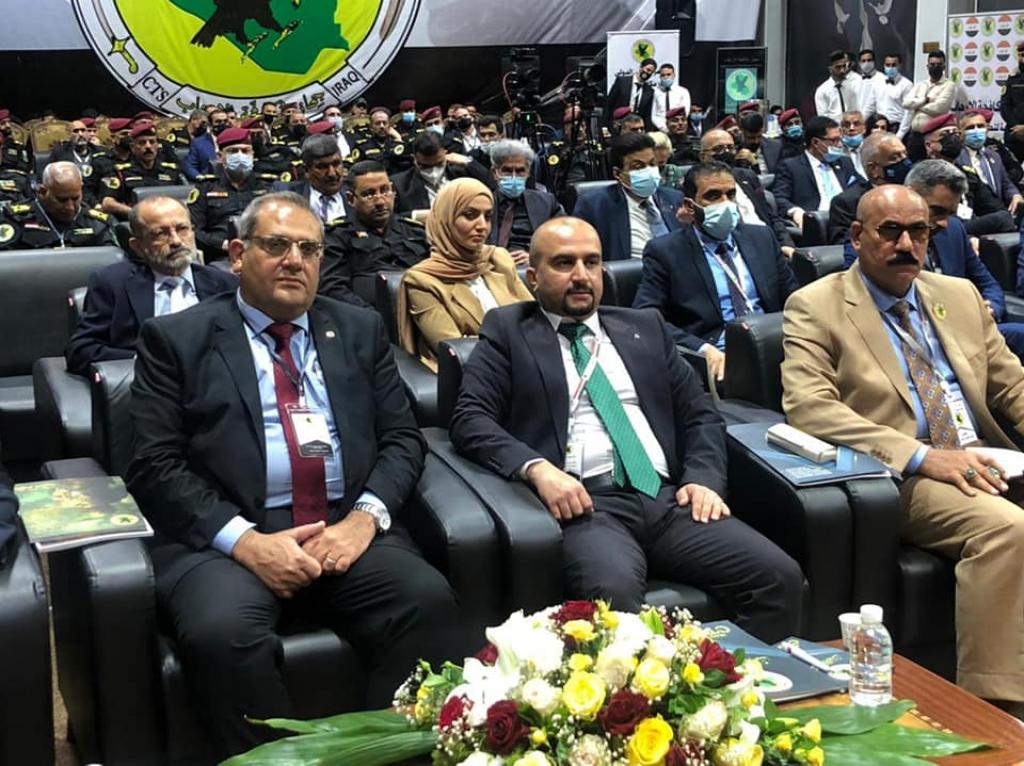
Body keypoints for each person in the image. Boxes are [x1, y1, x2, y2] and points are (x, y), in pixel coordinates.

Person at [124, 191, 461, 757]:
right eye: (277, 245)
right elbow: (154, 464)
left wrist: (363, 521)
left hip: (342, 525)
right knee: (221, 635)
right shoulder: (176, 339)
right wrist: (246, 542)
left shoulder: (357, 328)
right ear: (237, 255)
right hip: (228, 538)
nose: (294, 261)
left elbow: (403, 439)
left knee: (427, 603)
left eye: (309, 249)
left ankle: (381, 755)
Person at [450, 216, 802, 639]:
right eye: (564, 263)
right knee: (613, 603)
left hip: (669, 500)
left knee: (778, 578)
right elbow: (471, 418)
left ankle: (728, 679)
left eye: (591, 262)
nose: (581, 276)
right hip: (587, 507)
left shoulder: (644, 327)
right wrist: (538, 469)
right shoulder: (509, 331)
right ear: (533, 277)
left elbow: (700, 414)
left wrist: (703, 479)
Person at [781, 184, 1024, 713]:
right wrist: (924, 457)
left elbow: (1012, 385)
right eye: (890, 231)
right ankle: (995, 707)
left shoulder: (957, 294)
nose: (906, 245)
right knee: (1009, 530)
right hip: (905, 471)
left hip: (988, 454)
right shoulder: (816, 305)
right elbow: (810, 407)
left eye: (919, 232)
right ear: (857, 236)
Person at [633, 162, 797, 382]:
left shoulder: (761, 237)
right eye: (713, 196)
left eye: (730, 194)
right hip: (719, 354)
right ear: (690, 206)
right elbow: (646, 315)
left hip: (775, 343)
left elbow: (794, 298)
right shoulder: (666, 252)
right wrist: (701, 349)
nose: (725, 203)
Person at [65, 196, 238, 375]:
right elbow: (80, 351)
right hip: (147, 384)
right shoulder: (112, 284)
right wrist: (147, 361)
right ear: (138, 246)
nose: (176, 241)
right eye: (161, 234)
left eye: (182, 229)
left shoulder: (225, 284)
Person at [396, 178, 533, 369]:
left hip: (527, 363)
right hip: (476, 375)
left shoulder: (498, 258)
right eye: (470, 215)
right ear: (446, 218)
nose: (482, 226)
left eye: (487, 216)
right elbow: (457, 349)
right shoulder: (421, 281)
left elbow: (535, 321)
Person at [319, 160, 428, 308]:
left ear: (394, 191)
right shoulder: (337, 236)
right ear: (351, 199)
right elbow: (333, 289)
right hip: (368, 314)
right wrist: (371, 316)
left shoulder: (415, 231)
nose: (380, 201)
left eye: (385, 190)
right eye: (369, 194)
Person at [573, 132, 683, 261]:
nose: (648, 171)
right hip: (632, 271)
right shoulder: (594, 206)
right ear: (618, 173)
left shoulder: (675, 199)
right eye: (638, 167)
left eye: (652, 164)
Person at [698, 129, 795, 254]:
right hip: (737, 249)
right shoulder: (700, 186)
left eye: (730, 148)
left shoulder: (746, 176)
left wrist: (787, 244)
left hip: (770, 243)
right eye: (718, 149)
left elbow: (771, 216)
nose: (726, 152)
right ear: (703, 157)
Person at [189, 127, 276, 262]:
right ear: (220, 157)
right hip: (220, 256)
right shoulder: (205, 188)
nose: (240, 156)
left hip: (263, 255)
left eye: (245, 151)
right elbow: (193, 230)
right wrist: (222, 244)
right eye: (233, 151)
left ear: (253, 155)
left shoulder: (268, 186)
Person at [922, 113, 1015, 236]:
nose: (953, 138)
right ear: (929, 145)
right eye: (945, 134)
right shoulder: (924, 175)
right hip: (944, 231)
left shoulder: (967, 173)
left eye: (955, 133)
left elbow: (993, 206)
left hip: (969, 226)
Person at [773, 115, 860, 232]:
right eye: (834, 140)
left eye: (840, 139)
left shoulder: (844, 162)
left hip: (848, 221)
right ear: (815, 142)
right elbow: (779, 198)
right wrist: (795, 211)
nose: (840, 145)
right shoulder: (791, 167)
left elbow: (861, 188)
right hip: (817, 225)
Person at [484, 140, 565, 264]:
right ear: (495, 172)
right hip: (491, 266)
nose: (514, 176)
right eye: (507, 171)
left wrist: (537, 257)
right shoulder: (482, 203)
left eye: (520, 171)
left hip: (534, 266)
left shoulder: (547, 203)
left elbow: (565, 239)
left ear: (528, 173)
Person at [0, 162, 113, 249]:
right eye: (62, 200)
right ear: (43, 192)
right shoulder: (17, 219)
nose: (70, 207)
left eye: (75, 198)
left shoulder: (97, 223)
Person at [830, 131, 909, 249]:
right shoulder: (847, 203)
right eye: (895, 157)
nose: (905, 161)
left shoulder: (915, 195)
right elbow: (844, 249)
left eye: (905, 154)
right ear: (873, 169)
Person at [97, 122, 186, 219]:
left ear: (157, 146)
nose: (148, 146)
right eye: (142, 142)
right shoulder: (120, 172)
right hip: (136, 221)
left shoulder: (171, 170)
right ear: (132, 147)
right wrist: (135, 213)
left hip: (169, 218)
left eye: (152, 142)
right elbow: (107, 203)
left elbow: (185, 196)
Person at [390, 131, 491, 217]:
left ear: (445, 153)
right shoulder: (399, 184)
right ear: (415, 159)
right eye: (425, 166)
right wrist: (415, 216)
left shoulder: (461, 174)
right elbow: (390, 218)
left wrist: (468, 162)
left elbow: (491, 185)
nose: (433, 172)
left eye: (439, 164)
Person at [958, 109, 1023, 217]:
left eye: (980, 126)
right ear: (960, 133)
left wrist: (1015, 195)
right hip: (973, 215)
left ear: (987, 128)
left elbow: (1006, 184)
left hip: (999, 211)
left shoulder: (994, 156)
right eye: (970, 128)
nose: (976, 131)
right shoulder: (958, 157)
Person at [274, 134, 346, 223]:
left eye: (336, 164)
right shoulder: (286, 195)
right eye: (322, 167)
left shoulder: (355, 193)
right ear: (306, 170)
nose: (332, 173)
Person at [903, 50, 957, 134]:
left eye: (939, 65)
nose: (935, 67)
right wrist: (924, 101)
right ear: (927, 66)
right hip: (914, 133)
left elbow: (939, 108)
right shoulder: (920, 84)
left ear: (944, 67)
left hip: (934, 133)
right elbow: (905, 103)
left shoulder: (949, 85)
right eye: (932, 64)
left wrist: (915, 106)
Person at [349, 106, 409, 174]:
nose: (382, 126)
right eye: (378, 123)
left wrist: (398, 139)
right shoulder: (362, 147)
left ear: (389, 126)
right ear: (371, 127)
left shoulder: (397, 144)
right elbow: (356, 171)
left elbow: (407, 166)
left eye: (384, 123)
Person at [870, 53, 913, 137]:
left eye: (893, 65)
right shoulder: (878, 83)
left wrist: (901, 133)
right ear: (884, 65)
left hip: (896, 127)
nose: (890, 68)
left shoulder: (907, 85)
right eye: (888, 65)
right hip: (880, 126)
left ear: (900, 66)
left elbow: (909, 112)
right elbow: (871, 105)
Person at [606, 58, 657, 128]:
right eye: (648, 70)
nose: (649, 73)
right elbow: (609, 104)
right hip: (618, 123)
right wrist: (604, 125)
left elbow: (647, 114)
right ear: (641, 67)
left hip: (635, 126)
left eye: (652, 72)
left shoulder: (649, 91)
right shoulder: (622, 82)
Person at [814, 50, 862, 121]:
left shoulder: (852, 87)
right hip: (833, 126)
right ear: (830, 69)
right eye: (838, 67)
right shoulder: (822, 91)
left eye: (844, 66)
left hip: (852, 125)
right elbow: (823, 119)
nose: (842, 70)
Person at [183, 108, 229, 181]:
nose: (222, 124)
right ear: (210, 125)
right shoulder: (198, 143)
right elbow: (189, 166)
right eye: (218, 122)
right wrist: (198, 176)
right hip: (209, 182)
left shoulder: (237, 141)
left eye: (225, 121)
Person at [999, 40, 1024, 164]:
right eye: (1022, 55)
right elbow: (1005, 106)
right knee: (1012, 171)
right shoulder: (1013, 78)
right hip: (1014, 135)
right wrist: (1017, 128)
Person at [650, 62, 690, 131]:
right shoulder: (656, 92)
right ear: (660, 77)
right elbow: (653, 114)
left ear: (674, 75)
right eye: (663, 75)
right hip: (660, 129)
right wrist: (663, 128)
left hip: (677, 128)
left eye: (668, 74)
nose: (666, 77)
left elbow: (685, 112)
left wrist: (674, 125)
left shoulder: (683, 91)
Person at [855, 49, 886, 118]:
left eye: (869, 60)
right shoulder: (856, 80)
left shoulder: (882, 79)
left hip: (877, 119)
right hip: (858, 119)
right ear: (859, 63)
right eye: (863, 61)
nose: (866, 63)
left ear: (874, 62)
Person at [839, 110, 867, 177]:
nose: (851, 128)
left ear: (864, 128)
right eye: (847, 125)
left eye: (856, 124)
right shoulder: (837, 153)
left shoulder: (871, 149)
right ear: (841, 129)